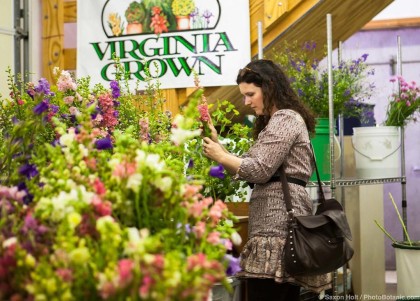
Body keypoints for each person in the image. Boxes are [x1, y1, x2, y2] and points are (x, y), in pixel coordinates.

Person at [202, 59, 331, 300]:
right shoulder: (276, 122)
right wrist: (219, 147)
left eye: (250, 94)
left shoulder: (286, 119)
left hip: (279, 225)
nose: (246, 102)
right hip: (272, 225)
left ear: (269, 87)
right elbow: (251, 168)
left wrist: (221, 155)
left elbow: (259, 170)